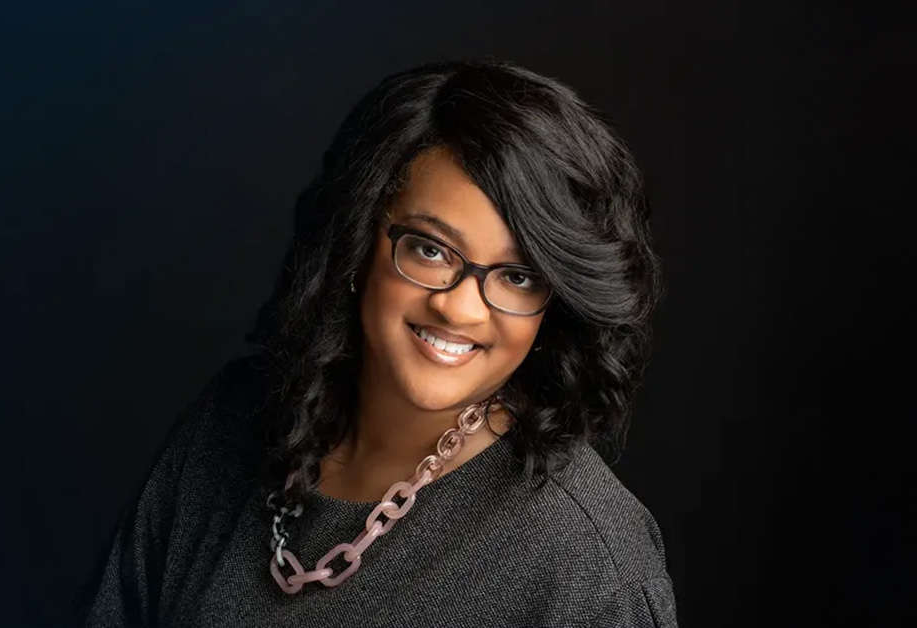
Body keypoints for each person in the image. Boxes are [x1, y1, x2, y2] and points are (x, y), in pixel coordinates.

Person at [79, 58, 677, 627]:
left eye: (518, 277)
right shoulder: (229, 424)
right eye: (430, 248)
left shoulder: (588, 566)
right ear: (359, 240)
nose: (459, 307)